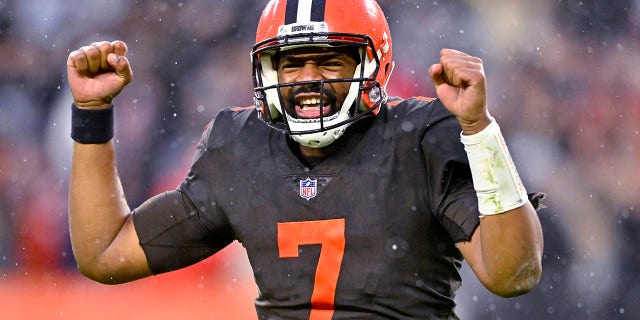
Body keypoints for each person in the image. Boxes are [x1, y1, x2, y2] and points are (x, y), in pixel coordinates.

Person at [66, 0, 544, 318]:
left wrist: (480, 130)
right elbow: (105, 253)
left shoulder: (421, 137)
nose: (308, 78)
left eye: (329, 60)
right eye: (292, 63)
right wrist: (92, 113)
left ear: (373, 67)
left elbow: (512, 274)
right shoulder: (239, 147)